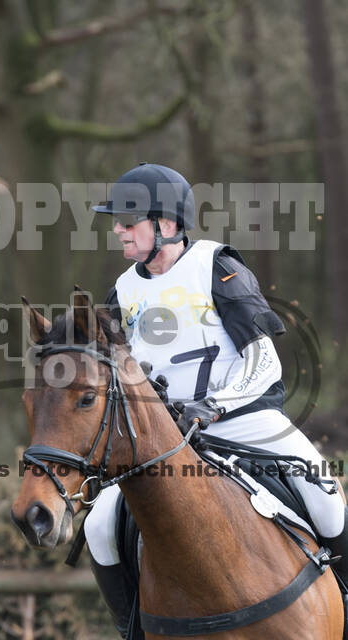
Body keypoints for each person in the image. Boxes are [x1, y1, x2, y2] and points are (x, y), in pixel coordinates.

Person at [84, 163, 348, 637]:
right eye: (117, 222)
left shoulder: (217, 267)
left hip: (243, 420)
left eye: (128, 221)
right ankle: (132, 628)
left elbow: (264, 360)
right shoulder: (121, 293)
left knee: (325, 493)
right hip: (166, 439)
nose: (118, 230)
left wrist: (216, 406)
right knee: (99, 524)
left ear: (165, 225)